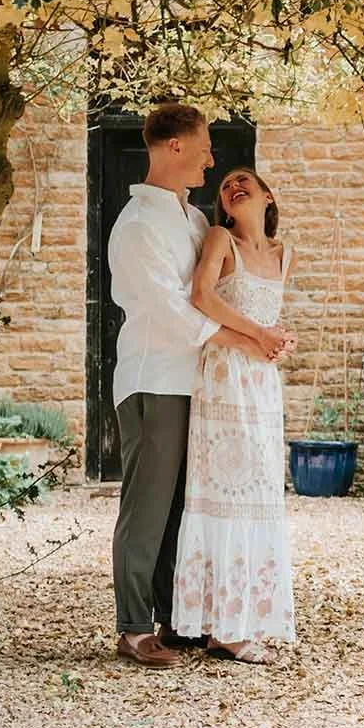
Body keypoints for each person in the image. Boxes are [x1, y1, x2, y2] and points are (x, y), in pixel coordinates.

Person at [106, 103, 292, 668]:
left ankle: (176, 618)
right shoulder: (138, 226)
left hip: (201, 386)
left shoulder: (190, 220)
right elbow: (168, 310)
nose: (213, 159)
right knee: (147, 506)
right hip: (154, 378)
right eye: (206, 146)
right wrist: (250, 341)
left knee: (183, 508)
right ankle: (134, 626)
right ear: (176, 148)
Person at [174, 166, 298, 664]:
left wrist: (278, 338)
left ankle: (240, 618)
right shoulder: (219, 238)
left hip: (263, 385)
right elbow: (201, 298)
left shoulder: (284, 254)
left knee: (260, 492)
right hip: (224, 377)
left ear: (268, 195)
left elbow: (269, 320)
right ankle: (221, 627)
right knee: (224, 493)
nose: (233, 186)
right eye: (225, 185)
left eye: (245, 179)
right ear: (223, 206)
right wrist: (257, 336)